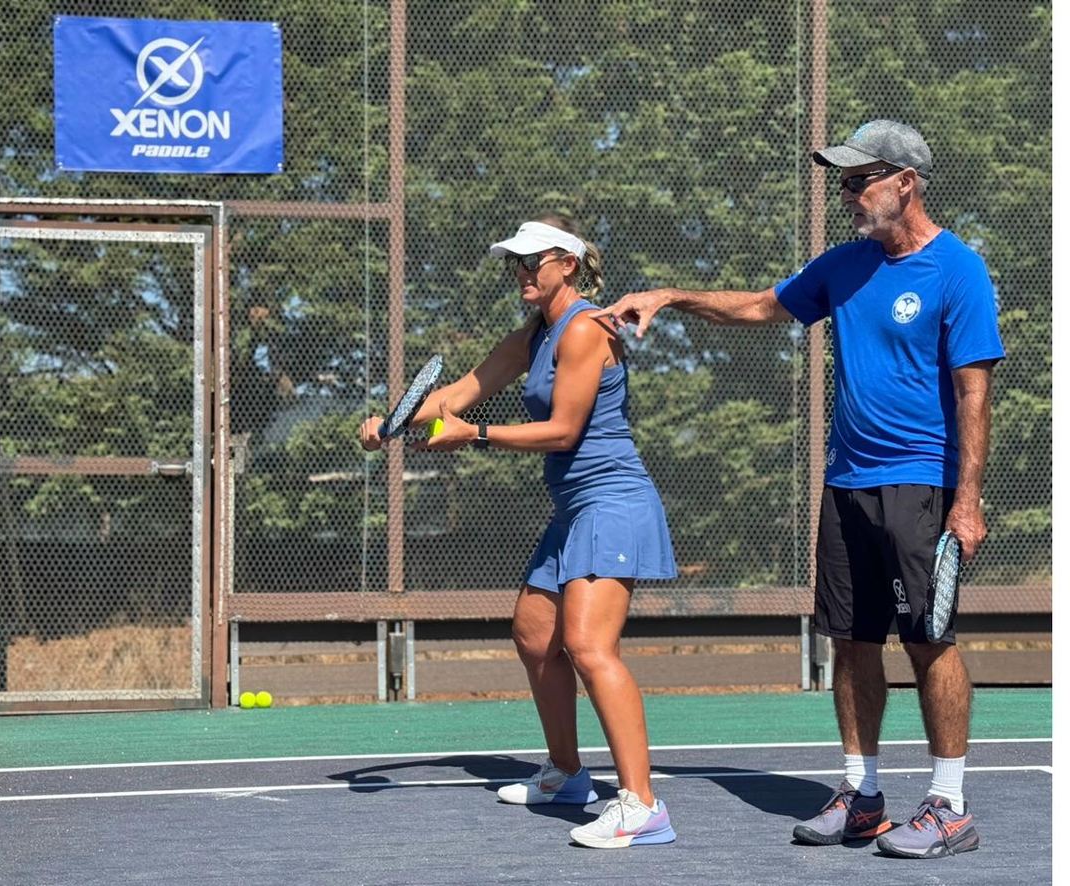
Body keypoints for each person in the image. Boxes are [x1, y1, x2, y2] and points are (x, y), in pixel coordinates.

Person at [592, 120, 1003, 859]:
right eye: (841, 181)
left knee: (927, 640)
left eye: (858, 180)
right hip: (847, 484)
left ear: (904, 182)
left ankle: (949, 804)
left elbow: (975, 394)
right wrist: (669, 297)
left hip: (921, 484)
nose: (845, 194)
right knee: (849, 642)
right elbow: (760, 306)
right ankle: (861, 794)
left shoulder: (958, 270)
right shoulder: (844, 267)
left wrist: (967, 501)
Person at [359, 215, 679, 850]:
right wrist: (393, 419)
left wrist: (473, 436)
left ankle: (643, 805)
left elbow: (563, 431)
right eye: (516, 261)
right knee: (536, 637)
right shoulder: (535, 335)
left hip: (612, 502)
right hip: (573, 509)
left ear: (567, 263)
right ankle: (565, 773)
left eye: (534, 260)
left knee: (589, 648)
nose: (522, 272)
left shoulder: (585, 330)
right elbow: (460, 392)